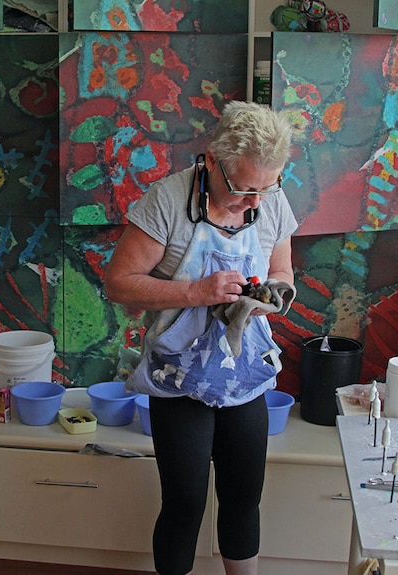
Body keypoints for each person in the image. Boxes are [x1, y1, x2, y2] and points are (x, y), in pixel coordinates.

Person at [104, 101, 297, 575]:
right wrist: (195, 291)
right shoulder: (167, 202)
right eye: (245, 188)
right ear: (212, 161)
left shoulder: (269, 199)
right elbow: (119, 282)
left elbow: (282, 268)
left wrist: (277, 292)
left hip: (244, 374)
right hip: (180, 375)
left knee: (243, 496)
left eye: (267, 188)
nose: (256, 201)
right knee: (185, 501)